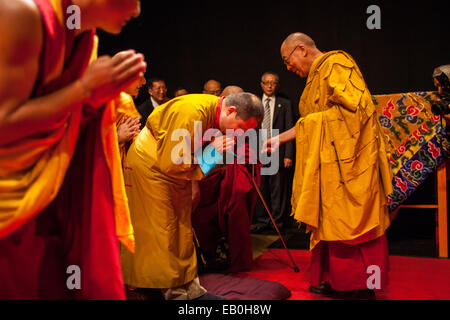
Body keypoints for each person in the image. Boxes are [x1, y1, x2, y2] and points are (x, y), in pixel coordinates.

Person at [0, 0, 146, 299]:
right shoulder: (22, 14)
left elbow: (70, 117)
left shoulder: (85, 37)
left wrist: (95, 101)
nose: (136, 11)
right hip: (11, 204)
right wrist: (87, 90)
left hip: (54, 192)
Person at [263, 32, 393, 298]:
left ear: (301, 49)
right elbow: (314, 120)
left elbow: (354, 112)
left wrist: (292, 133)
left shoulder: (337, 65)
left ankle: (359, 284)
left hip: (350, 163)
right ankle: (332, 279)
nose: (288, 67)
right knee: (328, 222)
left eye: (287, 60)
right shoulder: (316, 77)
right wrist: (279, 139)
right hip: (328, 165)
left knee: (350, 222)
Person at [120, 92, 264, 300]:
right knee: (164, 230)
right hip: (152, 169)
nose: (239, 134)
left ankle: (188, 288)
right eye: (240, 127)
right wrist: (210, 153)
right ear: (230, 110)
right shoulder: (192, 111)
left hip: (167, 169)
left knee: (182, 227)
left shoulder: (208, 111)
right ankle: (172, 292)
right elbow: (173, 162)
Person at [191, 85, 261, 273]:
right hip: (205, 179)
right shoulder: (204, 119)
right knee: (204, 221)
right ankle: (207, 255)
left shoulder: (242, 122)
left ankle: (234, 258)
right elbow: (190, 152)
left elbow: (249, 152)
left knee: (236, 210)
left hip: (230, 178)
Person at [252, 72, 295, 233]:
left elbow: (291, 127)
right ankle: (262, 220)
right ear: (261, 84)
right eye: (267, 82)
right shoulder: (254, 103)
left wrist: (288, 155)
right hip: (259, 149)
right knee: (261, 186)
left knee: (278, 187)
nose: (270, 86)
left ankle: (277, 220)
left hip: (278, 149)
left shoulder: (284, 104)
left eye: (273, 83)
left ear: (277, 85)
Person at [116, 74, 146, 166]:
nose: (144, 82)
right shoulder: (106, 103)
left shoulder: (127, 104)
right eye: (140, 76)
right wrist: (117, 138)